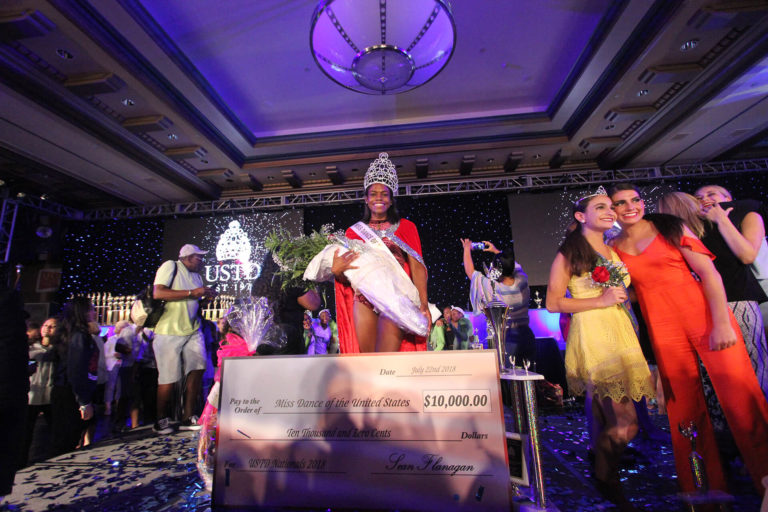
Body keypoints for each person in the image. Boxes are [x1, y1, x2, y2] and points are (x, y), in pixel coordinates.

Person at [609, 183, 768, 495]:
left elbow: (709, 273)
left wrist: (722, 323)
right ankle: (703, 491)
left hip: (704, 318)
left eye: (635, 199)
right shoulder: (612, 248)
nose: (630, 206)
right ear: (613, 211)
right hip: (663, 329)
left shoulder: (669, 226)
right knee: (685, 414)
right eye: (620, 203)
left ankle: (765, 478)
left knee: (743, 401)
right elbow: (634, 292)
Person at [546, 187, 654, 509]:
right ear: (581, 217)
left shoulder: (613, 250)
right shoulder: (569, 254)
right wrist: (601, 300)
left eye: (611, 207)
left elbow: (622, 292)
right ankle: (606, 476)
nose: (610, 212)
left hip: (621, 331)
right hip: (595, 336)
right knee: (625, 425)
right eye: (600, 207)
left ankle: (603, 468)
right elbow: (553, 302)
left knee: (607, 414)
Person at [332, 152, 429, 353]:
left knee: (388, 360)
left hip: (396, 297)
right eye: (373, 194)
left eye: (384, 194)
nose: (379, 198)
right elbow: (349, 273)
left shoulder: (407, 227)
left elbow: (417, 269)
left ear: (391, 200)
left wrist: (424, 304)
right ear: (366, 199)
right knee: (369, 362)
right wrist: (337, 271)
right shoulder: (353, 232)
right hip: (365, 298)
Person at [691, 186, 768, 399]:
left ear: (728, 198)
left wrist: (722, 220)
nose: (704, 199)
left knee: (756, 361)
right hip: (717, 301)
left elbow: (747, 255)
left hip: (751, 294)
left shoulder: (749, 214)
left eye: (711, 194)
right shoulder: (698, 227)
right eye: (698, 198)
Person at [152, 244, 217, 434]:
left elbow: (193, 302)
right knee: (168, 377)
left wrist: (205, 299)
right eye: (198, 257)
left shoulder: (196, 276)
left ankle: (188, 417)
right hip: (168, 331)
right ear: (187, 257)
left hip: (192, 329)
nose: (201, 261)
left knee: (197, 369)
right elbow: (158, 293)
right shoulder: (170, 267)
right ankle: (161, 420)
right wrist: (192, 293)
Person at [461, 239, 534, 365]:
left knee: (510, 376)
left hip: (507, 338)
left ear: (496, 270)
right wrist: (496, 251)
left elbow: (471, 273)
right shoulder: (522, 281)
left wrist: (467, 248)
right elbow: (513, 265)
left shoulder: (494, 288)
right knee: (529, 373)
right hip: (527, 335)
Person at [50, 296, 98, 456]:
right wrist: (84, 402)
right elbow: (76, 370)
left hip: (67, 391)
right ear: (82, 312)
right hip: (71, 394)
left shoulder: (73, 333)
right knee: (66, 441)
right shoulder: (79, 335)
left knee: (66, 439)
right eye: (91, 308)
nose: (94, 312)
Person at [251, 252, 321, 355]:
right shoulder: (291, 282)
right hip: (289, 340)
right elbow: (314, 304)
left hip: (263, 340)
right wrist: (313, 282)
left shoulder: (258, 284)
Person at [22, 317, 57, 466]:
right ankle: (22, 461)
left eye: (52, 326)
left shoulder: (59, 349)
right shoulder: (30, 348)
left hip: (50, 395)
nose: (47, 329)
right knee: (27, 432)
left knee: (52, 430)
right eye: (45, 325)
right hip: (32, 395)